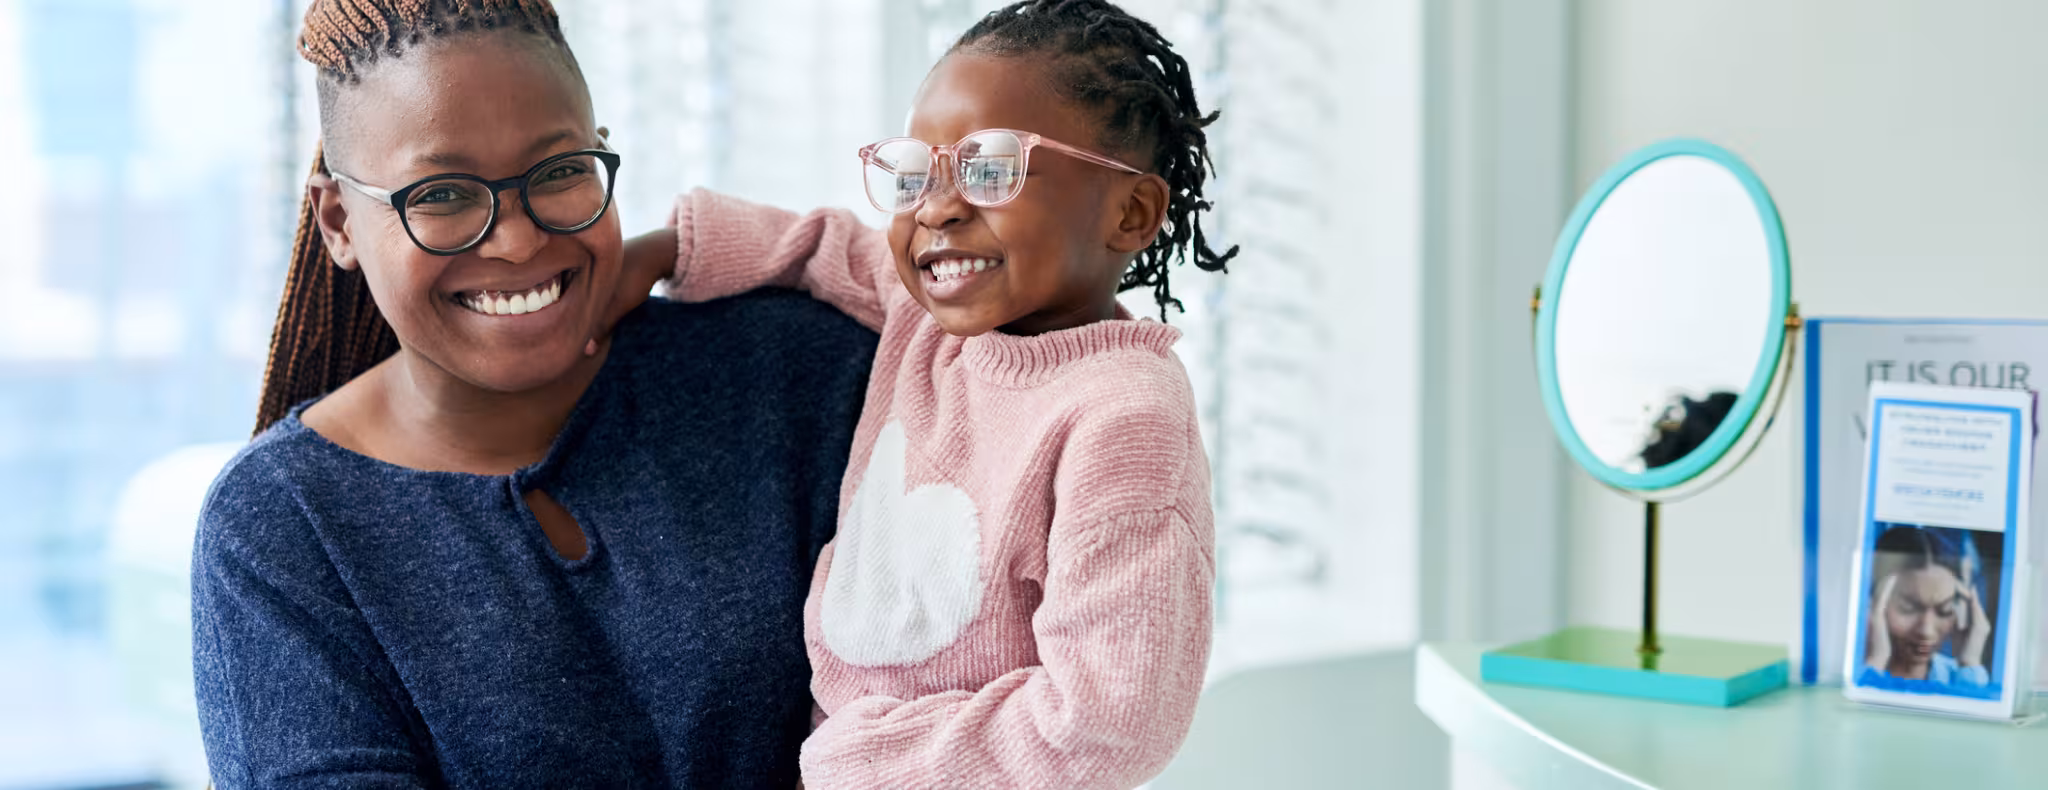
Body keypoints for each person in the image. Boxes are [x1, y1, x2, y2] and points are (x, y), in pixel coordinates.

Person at [190, 1, 875, 786]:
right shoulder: (282, 527)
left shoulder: (791, 374)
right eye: (442, 195)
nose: (516, 240)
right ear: (339, 220)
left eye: (558, 173)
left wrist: (683, 247)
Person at [616, 1, 1233, 786]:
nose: (938, 206)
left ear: (1131, 212)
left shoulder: (1124, 419)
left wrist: (855, 769)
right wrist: (668, 248)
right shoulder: (929, 318)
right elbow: (823, 245)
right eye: (917, 174)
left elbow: (1109, 721)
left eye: (990, 168)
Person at [1860, 525, 1992, 690]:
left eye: (1945, 610)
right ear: (1874, 603)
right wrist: (1875, 661)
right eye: (1907, 608)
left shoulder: (1961, 677)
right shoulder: (1856, 671)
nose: (1926, 631)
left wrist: (1968, 663)